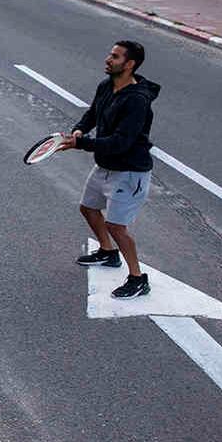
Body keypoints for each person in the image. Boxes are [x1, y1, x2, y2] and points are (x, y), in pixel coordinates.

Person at [57, 41, 161, 299]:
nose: (108, 59)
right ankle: (108, 252)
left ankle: (138, 279)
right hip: (105, 165)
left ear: (130, 64)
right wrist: (80, 129)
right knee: (88, 208)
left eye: (115, 56)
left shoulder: (137, 101)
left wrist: (81, 144)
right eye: (110, 54)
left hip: (129, 172)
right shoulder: (107, 85)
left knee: (116, 226)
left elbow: (120, 142)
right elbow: (92, 114)